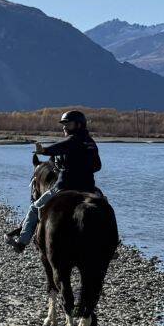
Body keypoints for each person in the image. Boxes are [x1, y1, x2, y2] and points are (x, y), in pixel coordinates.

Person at [7, 108, 102, 253]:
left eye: (68, 124)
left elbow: (59, 147)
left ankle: (22, 242)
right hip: (89, 187)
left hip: (64, 187)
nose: (64, 127)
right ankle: (110, 244)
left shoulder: (72, 140)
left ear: (78, 125)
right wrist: (83, 169)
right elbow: (98, 166)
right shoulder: (91, 143)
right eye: (64, 124)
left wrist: (43, 151)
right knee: (104, 206)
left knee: (34, 208)